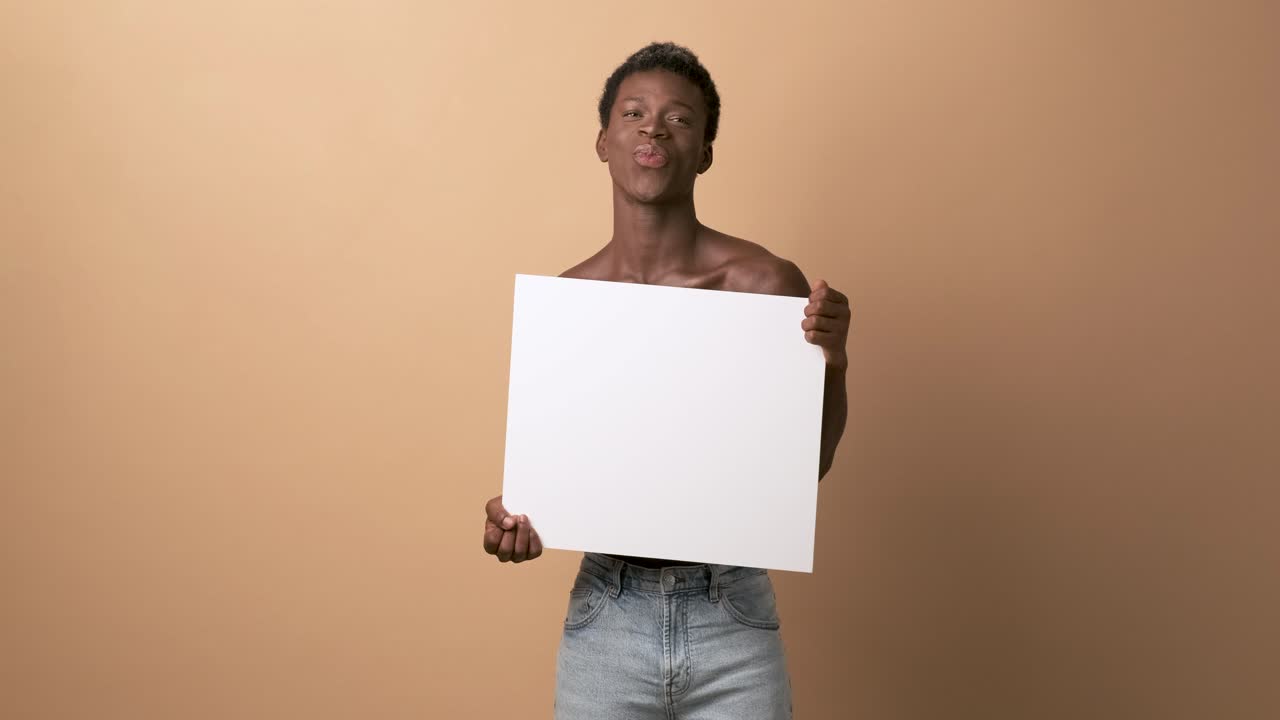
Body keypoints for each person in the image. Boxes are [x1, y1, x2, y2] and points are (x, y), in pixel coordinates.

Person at [481, 42, 851, 719]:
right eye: (634, 113)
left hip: (730, 614)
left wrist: (835, 361)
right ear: (603, 140)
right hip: (606, 617)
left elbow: (807, 468)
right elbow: (563, 472)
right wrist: (515, 518)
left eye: (680, 119)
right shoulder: (571, 303)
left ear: (705, 150)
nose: (654, 129)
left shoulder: (764, 285)